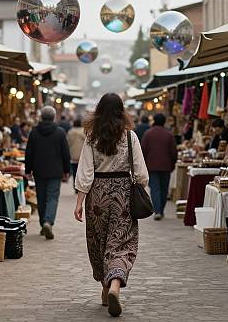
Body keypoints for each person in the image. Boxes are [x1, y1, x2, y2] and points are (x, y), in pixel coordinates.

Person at [74, 93, 148, 318]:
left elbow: (85, 171)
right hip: (123, 195)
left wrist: (79, 201)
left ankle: (105, 290)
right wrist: (141, 188)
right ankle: (115, 285)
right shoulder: (130, 137)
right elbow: (141, 172)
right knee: (121, 242)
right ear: (121, 111)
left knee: (98, 241)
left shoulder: (92, 137)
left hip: (97, 195)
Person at [25, 106, 70, 240]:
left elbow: (29, 152)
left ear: (41, 117)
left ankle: (42, 223)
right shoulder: (60, 132)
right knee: (52, 197)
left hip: (39, 170)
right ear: (54, 117)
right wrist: (67, 170)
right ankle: (47, 221)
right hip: (55, 170)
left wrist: (28, 170)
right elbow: (65, 153)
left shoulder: (34, 132)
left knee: (41, 197)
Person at [141, 113, 177, 220]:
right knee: (164, 189)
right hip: (166, 166)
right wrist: (173, 164)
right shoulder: (169, 134)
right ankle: (160, 210)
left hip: (152, 165)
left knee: (155, 189)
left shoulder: (148, 134)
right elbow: (173, 152)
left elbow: (143, 150)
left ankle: (157, 211)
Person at [67, 117, 85, 189]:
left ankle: (75, 185)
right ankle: (80, 186)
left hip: (73, 154)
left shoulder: (70, 132)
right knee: (81, 171)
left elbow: (68, 143)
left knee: (74, 170)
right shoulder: (83, 131)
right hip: (82, 154)